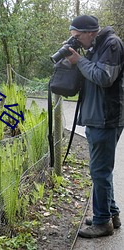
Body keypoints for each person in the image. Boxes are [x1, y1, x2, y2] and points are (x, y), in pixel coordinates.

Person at [66, 15, 124, 238]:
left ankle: (102, 223)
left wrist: (79, 61)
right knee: (101, 171)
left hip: (106, 118)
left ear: (90, 32)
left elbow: (103, 77)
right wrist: (76, 60)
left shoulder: (112, 44)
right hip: (96, 117)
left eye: (78, 37)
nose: (77, 41)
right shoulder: (95, 46)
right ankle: (111, 214)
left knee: (99, 171)